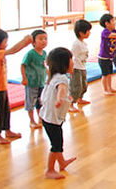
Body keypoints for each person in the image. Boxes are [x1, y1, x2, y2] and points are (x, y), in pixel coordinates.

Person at [0, 28, 32, 144]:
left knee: (6, 111)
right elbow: (12, 50)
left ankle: (8, 130)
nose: (7, 45)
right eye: (4, 42)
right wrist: (24, 41)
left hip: (3, 88)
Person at [39, 47, 76, 179]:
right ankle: (49, 169)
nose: (73, 62)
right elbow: (61, 88)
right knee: (56, 144)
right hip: (52, 119)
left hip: (47, 117)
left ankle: (62, 162)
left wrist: (66, 98)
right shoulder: (62, 79)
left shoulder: (53, 76)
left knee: (57, 141)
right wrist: (60, 98)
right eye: (71, 60)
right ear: (64, 63)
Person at [21, 29, 48, 128]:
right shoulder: (30, 54)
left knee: (40, 102)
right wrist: (24, 78)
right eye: (40, 39)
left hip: (41, 82)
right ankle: (32, 121)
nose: (44, 41)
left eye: (45, 39)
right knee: (30, 102)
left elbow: (45, 66)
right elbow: (23, 65)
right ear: (33, 42)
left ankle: (40, 118)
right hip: (31, 83)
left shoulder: (44, 53)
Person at [69, 19, 92, 113]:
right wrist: (70, 68)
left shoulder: (83, 43)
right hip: (76, 68)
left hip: (82, 67)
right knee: (76, 86)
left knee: (84, 86)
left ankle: (79, 98)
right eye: (88, 31)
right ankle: (70, 104)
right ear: (81, 33)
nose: (89, 33)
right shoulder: (76, 44)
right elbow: (71, 56)